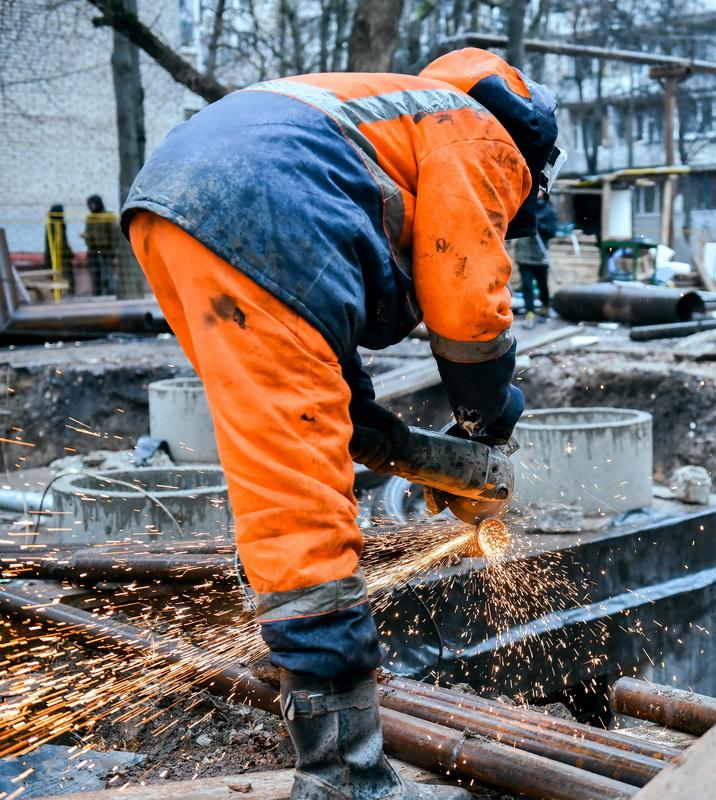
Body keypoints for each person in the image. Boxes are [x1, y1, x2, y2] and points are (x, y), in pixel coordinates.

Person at [121, 48, 562, 800]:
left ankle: (335, 759)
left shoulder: (384, 110)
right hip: (263, 214)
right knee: (302, 515)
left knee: (327, 431)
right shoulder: (478, 129)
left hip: (173, 208)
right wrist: (487, 424)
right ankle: (347, 779)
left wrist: (412, 449)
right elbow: (469, 310)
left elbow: (349, 407)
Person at [513, 191, 558, 326]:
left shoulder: (549, 210)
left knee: (542, 284)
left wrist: (538, 225)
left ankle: (545, 307)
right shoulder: (524, 208)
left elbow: (552, 232)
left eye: (539, 189)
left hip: (540, 255)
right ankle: (530, 312)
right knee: (527, 285)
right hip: (523, 254)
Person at [82, 195, 121, 296]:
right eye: (90, 204)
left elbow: (114, 234)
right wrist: (86, 237)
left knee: (107, 273)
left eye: (93, 204)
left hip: (105, 250)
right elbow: (88, 233)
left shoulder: (108, 216)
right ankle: (97, 294)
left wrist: (113, 249)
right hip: (93, 250)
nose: (91, 206)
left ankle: (110, 293)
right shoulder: (90, 218)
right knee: (95, 274)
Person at [43, 204, 74, 297]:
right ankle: (60, 293)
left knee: (59, 274)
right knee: (61, 274)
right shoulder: (54, 223)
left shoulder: (52, 222)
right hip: (57, 254)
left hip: (57, 253)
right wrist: (68, 252)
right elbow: (61, 240)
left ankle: (60, 292)